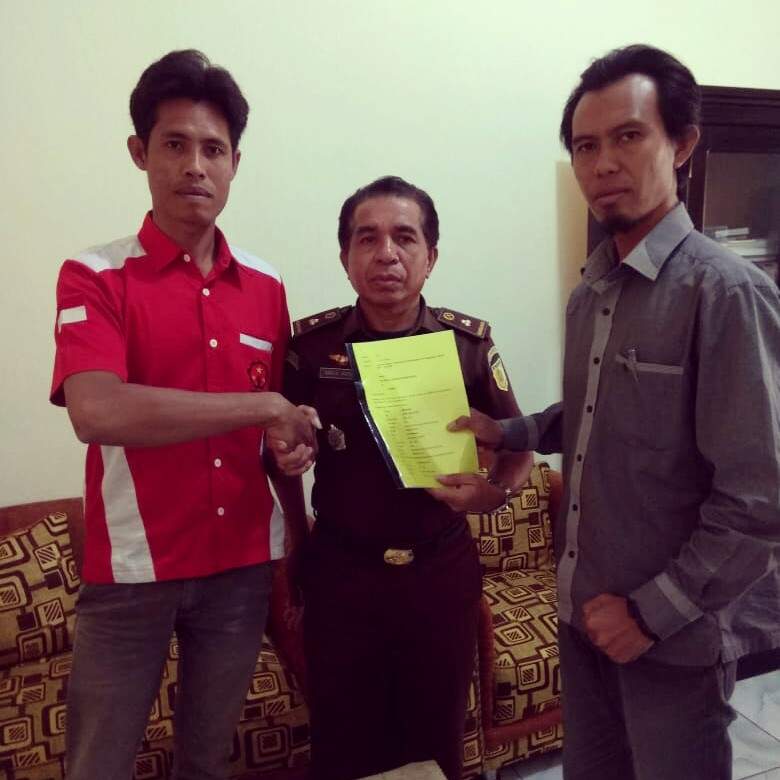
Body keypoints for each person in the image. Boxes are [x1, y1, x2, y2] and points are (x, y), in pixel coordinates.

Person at [447, 44, 780, 780]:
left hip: (671, 639)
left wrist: (649, 615)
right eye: (584, 146)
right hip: (582, 617)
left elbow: (759, 498)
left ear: (682, 144)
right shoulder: (592, 291)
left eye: (628, 136)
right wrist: (510, 431)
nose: (602, 164)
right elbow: (598, 412)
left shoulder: (726, 294)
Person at [50, 49, 318, 780]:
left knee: (207, 759)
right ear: (140, 152)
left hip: (241, 567)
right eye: (174, 144)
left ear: (235, 164)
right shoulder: (95, 275)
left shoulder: (265, 285)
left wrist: (287, 458)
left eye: (213, 149)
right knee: (98, 764)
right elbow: (96, 410)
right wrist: (262, 405)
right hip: (133, 569)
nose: (194, 166)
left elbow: (274, 434)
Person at [272, 175, 533, 780]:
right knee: (342, 740)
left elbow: (518, 442)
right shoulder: (309, 348)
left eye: (404, 237)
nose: (386, 253)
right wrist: (293, 525)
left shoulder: (466, 345)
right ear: (345, 257)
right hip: (341, 572)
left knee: (435, 737)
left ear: (430, 256)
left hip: (438, 571)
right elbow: (275, 451)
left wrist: (496, 493)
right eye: (367, 238)